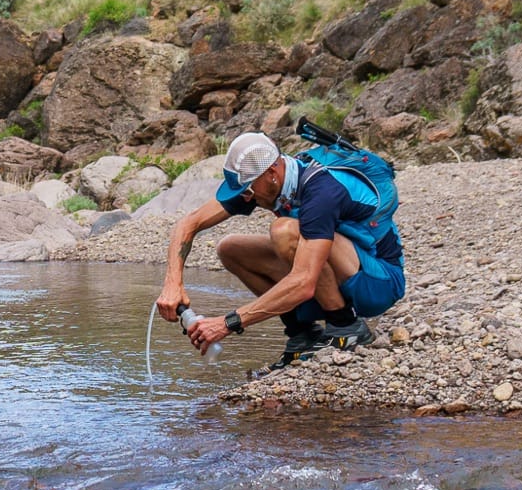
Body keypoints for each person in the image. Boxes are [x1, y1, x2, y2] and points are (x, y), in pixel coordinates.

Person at [156, 130, 405, 370]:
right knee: (230, 248)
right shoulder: (264, 182)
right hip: (343, 268)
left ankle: (346, 327)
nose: (245, 198)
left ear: (272, 172)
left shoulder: (322, 191)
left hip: (378, 281)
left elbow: (304, 282)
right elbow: (189, 223)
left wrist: (227, 323)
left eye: (249, 190)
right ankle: (302, 333)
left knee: (284, 231)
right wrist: (173, 284)